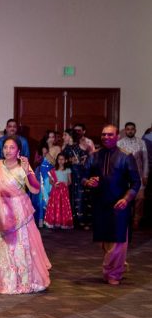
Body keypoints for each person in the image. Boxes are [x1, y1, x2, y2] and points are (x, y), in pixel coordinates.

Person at [0, 137, 51, 294]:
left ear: (18, 150)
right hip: (0, 215)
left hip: (19, 216)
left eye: (12, 148)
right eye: (5, 147)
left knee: (19, 249)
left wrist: (27, 172)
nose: (8, 150)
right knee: (1, 249)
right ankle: (4, 282)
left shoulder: (23, 166)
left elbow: (35, 189)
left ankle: (23, 282)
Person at [84, 125, 141, 285]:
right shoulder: (94, 156)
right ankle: (117, 266)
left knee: (118, 240)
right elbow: (83, 176)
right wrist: (88, 182)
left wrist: (126, 199)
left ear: (117, 137)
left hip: (119, 205)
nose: (106, 137)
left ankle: (113, 273)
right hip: (100, 204)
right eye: (103, 135)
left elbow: (136, 182)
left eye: (110, 135)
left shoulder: (126, 156)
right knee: (105, 241)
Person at [117, 122, 148, 229]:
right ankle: (126, 219)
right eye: (128, 129)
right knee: (125, 198)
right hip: (124, 176)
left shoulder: (141, 142)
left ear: (135, 130)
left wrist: (145, 175)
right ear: (125, 131)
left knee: (140, 199)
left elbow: (145, 160)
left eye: (132, 129)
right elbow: (117, 161)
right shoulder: (120, 143)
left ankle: (136, 220)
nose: (130, 131)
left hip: (138, 175)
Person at [61, 129, 90, 228]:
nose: (63, 137)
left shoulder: (80, 146)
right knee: (69, 196)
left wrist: (79, 162)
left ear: (70, 136)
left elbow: (86, 161)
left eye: (65, 135)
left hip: (79, 174)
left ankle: (82, 221)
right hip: (68, 174)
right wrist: (69, 161)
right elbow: (62, 162)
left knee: (80, 196)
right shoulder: (65, 148)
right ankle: (71, 221)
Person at [32, 131, 60, 226]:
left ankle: (49, 220)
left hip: (50, 174)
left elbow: (56, 163)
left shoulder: (57, 148)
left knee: (48, 195)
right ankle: (40, 219)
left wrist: (47, 154)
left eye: (53, 137)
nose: (51, 139)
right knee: (40, 196)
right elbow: (36, 161)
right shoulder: (41, 148)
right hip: (40, 173)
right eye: (49, 137)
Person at [44, 153, 74, 229]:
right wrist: (54, 184)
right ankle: (54, 221)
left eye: (62, 159)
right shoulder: (53, 170)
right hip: (56, 190)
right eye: (59, 159)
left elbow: (70, 181)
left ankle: (63, 222)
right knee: (56, 205)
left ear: (66, 160)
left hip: (64, 191)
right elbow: (51, 181)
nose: (60, 161)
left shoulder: (68, 170)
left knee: (63, 205)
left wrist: (65, 184)